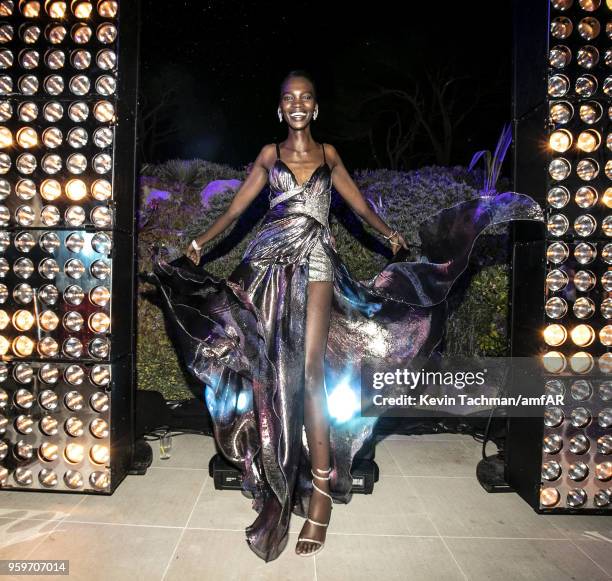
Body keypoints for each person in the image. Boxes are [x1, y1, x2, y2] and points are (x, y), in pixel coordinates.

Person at [146, 69, 544, 562]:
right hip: (268, 261)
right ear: (280, 109)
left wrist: (390, 237)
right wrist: (198, 245)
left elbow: (358, 207)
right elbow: (235, 212)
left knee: (312, 374)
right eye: (288, 98)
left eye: (306, 98)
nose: (297, 104)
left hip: (315, 259)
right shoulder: (270, 156)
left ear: (315, 108)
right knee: (269, 372)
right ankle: (276, 469)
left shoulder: (329, 155)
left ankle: (319, 496)